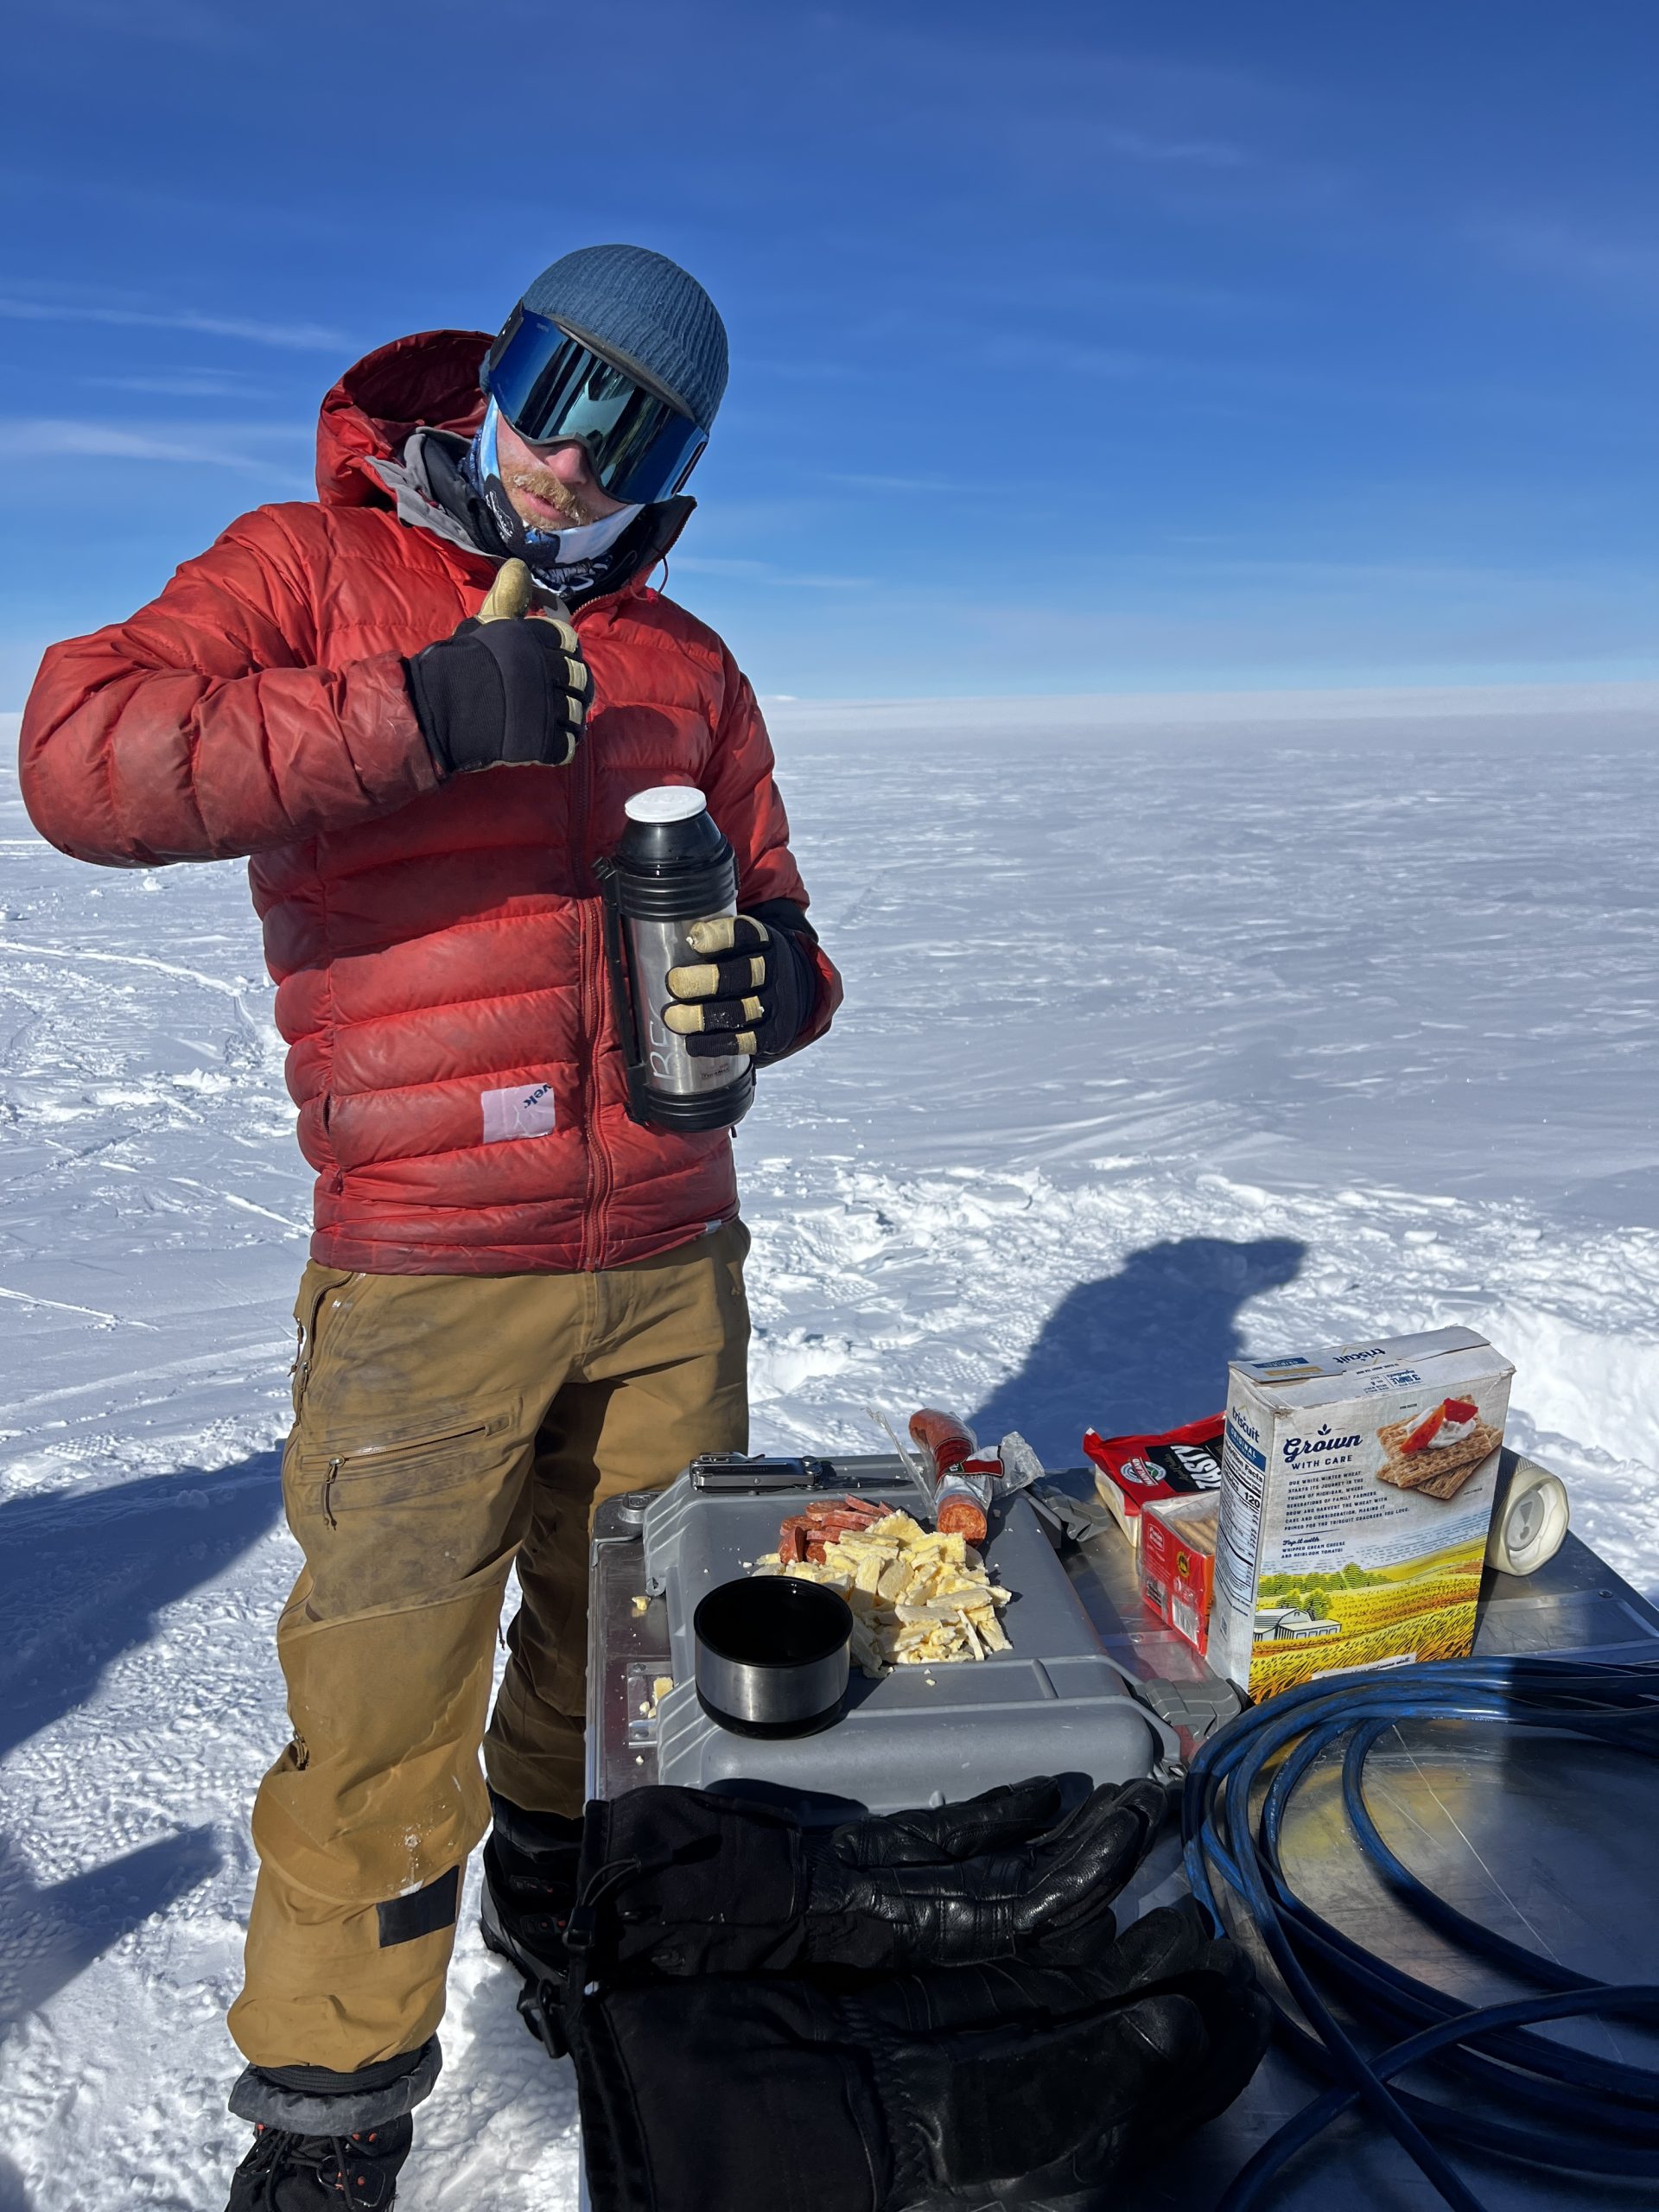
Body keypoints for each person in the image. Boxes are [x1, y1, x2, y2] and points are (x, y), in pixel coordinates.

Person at [19, 242, 841, 2207]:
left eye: (634, 423)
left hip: (667, 1257)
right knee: (381, 1712)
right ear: (502, 372)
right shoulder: (314, 571)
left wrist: (770, 982)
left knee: (624, 1656)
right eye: (558, 384)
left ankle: (563, 1936)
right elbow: (80, 756)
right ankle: (332, 2109)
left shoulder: (692, 663)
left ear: (686, 455)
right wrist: (415, 710)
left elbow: (797, 928)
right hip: (424, 1266)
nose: (575, 450)